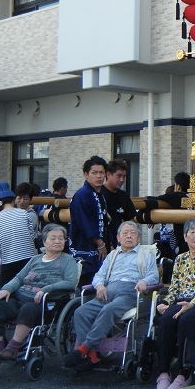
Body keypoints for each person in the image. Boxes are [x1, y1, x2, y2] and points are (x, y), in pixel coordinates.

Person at [0, 224, 78, 361]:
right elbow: (19, 278)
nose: (58, 241)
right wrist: (6, 289)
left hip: (46, 302)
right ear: (44, 242)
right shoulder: (35, 259)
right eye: (53, 238)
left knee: (28, 309)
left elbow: (70, 282)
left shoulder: (67, 260)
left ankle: (12, 349)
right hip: (22, 297)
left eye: (61, 239)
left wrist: (46, 289)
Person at [64, 221, 158, 372]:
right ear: (118, 238)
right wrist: (100, 285)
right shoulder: (112, 255)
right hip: (107, 292)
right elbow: (99, 276)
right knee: (80, 312)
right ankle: (93, 356)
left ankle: (84, 348)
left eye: (133, 233)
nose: (129, 236)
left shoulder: (146, 255)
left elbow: (154, 276)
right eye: (125, 233)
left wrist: (144, 281)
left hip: (129, 292)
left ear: (139, 238)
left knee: (109, 309)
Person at [154, 218, 195, 389]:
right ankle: (163, 371)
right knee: (165, 319)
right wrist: (165, 303)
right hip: (180, 300)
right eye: (192, 232)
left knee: (186, 321)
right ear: (185, 237)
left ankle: (185, 372)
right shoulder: (180, 259)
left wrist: (191, 303)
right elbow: (174, 286)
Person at [69, 155, 110, 286]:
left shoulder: (99, 193)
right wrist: (100, 244)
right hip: (85, 249)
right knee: (87, 285)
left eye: (101, 172)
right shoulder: (83, 194)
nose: (99, 176)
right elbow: (85, 223)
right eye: (94, 173)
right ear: (86, 175)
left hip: (98, 249)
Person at [0, 182, 37, 287]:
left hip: (8, 261)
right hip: (28, 259)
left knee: (6, 291)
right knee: (27, 289)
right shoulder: (24, 213)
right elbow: (32, 237)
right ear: (13, 199)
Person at [148, 171, 192, 256]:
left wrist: (149, 215)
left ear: (178, 186)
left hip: (183, 239)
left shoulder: (176, 196)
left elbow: (155, 199)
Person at [102, 159, 137, 250]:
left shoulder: (123, 196)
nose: (122, 180)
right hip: (101, 245)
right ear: (108, 174)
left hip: (119, 245)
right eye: (119, 176)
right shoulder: (99, 194)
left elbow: (130, 221)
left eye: (124, 177)